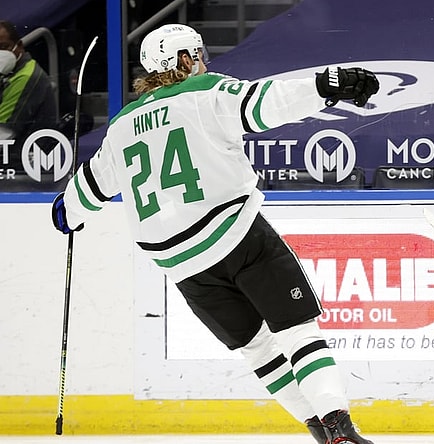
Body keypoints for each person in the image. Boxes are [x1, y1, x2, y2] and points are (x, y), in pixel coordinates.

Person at [50, 24, 379, 444]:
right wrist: (326, 85)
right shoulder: (205, 92)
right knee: (298, 331)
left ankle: (318, 430)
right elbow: (265, 103)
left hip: (182, 266)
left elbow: (83, 193)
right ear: (183, 60)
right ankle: (338, 428)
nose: (203, 61)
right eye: (197, 54)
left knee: (258, 351)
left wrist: (67, 212)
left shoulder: (121, 126)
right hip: (237, 236)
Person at [0, 20, 58, 179]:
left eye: (3, 47)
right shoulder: (6, 74)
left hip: (24, 169)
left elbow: (3, 133)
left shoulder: (26, 76)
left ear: (19, 46)